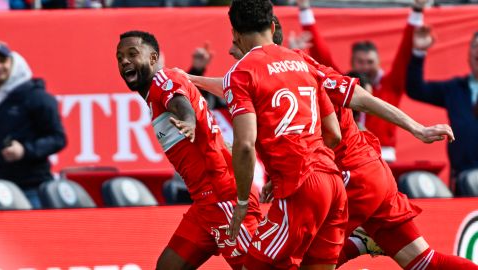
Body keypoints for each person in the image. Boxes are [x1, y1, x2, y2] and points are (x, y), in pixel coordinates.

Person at [180, 13, 477, 269]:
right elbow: (232, 85)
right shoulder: (287, 71)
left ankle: (361, 245)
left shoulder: (300, 70)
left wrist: (417, 129)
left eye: (236, 45)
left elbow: (361, 99)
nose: (232, 52)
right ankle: (366, 242)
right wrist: (189, 79)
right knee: (424, 262)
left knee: (303, 261)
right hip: (373, 173)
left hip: (350, 179)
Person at [115, 31, 262, 270]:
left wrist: (188, 121)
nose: (124, 61)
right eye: (119, 57)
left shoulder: (163, 81)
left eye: (133, 54)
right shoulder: (158, 90)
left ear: (153, 58)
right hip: (204, 203)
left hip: (222, 197)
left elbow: (180, 104)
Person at [225, 1, 348, 269]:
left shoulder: (241, 72)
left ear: (235, 33)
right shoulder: (302, 61)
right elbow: (334, 134)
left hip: (301, 186)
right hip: (333, 183)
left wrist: (244, 202)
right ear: (272, 26)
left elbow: (245, 145)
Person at [296, 0, 427, 162]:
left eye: (370, 62)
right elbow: (321, 54)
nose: (365, 67)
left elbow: (404, 53)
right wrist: (304, 9)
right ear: (352, 62)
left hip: (384, 156)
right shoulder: (344, 86)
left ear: (379, 62)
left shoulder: (391, 85)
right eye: (360, 62)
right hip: (348, 153)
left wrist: (418, 10)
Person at [0, 42, 67, 209]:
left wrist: (25, 150)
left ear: (13, 62)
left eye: (2, 60)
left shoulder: (37, 97)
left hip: (31, 188)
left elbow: (58, 138)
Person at [406, 28, 478, 185]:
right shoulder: (455, 88)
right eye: (474, 46)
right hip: (462, 179)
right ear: (468, 56)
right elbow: (416, 89)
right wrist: (419, 53)